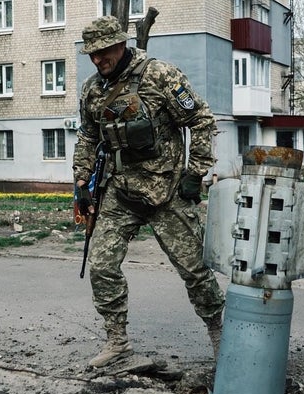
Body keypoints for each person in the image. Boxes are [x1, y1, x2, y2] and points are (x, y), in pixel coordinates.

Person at [73, 16, 225, 368]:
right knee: (101, 265)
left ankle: (221, 334)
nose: (98, 60)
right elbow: (87, 136)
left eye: (103, 51)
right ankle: (117, 340)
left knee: (195, 270)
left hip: (167, 192)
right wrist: (82, 182)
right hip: (120, 192)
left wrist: (196, 172)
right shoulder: (92, 90)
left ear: (120, 43)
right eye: (92, 54)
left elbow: (200, 119)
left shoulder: (160, 75)